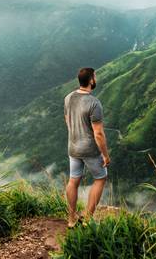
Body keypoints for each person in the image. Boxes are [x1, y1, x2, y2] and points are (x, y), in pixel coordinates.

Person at [63, 67, 110, 227]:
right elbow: (98, 133)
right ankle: (87, 220)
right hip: (89, 149)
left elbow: (67, 120)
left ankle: (71, 220)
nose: (95, 79)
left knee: (73, 180)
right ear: (91, 80)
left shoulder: (68, 98)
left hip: (73, 147)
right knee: (100, 178)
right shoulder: (94, 103)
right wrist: (105, 155)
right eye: (95, 76)